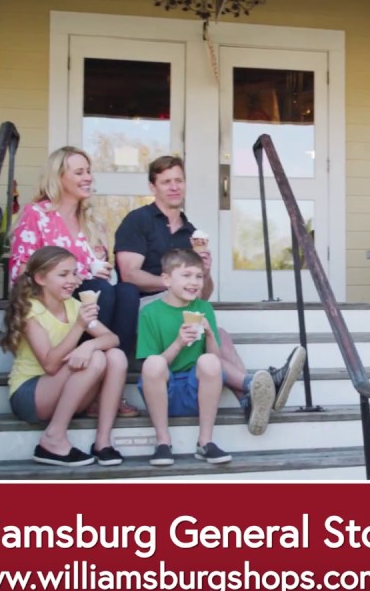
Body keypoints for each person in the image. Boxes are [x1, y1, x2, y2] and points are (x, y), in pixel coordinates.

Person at [114, 155, 306, 435]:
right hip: (149, 306)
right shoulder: (138, 220)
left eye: (178, 180)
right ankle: (256, 384)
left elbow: (203, 292)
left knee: (221, 335)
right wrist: (172, 285)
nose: (174, 187)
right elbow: (129, 273)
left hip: (184, 304)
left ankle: (248, 398)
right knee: (211, 335)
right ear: (152, 186)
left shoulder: (191, 234)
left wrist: (204, 271)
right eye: (166, 182)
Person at [9, 146, 139, 418]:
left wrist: (102, 268)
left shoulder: (92, 219)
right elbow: (22, 271)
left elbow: (102, 265)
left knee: (126, 292)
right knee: (101, 289)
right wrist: (81, 272)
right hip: (53, 300)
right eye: (79, 172)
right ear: (59, 177)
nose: (88, 177)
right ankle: (88, 379)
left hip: (89, 297)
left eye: (88, 171)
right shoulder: (38, 214)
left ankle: (111, 389)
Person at [3, 246, 129, 467]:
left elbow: (112, 338)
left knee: (116, 356)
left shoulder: (73, 305)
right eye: (63, 274)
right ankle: (53, 439)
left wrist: (88, 345)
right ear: (41, 278)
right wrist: (80, 328)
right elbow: (50, 365)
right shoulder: (30, 311)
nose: (73, 280)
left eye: (74, 273)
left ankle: (103, 442)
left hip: (64, 392)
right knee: (97, 359)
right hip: (31, 395)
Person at [136, 248, 229, 465]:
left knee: (209, 360)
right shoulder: (150, 312)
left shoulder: (203, 308)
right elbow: (151, 369)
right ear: (166, 280)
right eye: (186, 275)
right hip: (163, 393)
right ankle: (163, 443)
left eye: (199, 276)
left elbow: (215, 360)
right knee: (154, 362)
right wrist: (179, 342)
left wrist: (207, 334)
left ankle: (205, 442)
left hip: (195, 392)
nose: (194, 282)